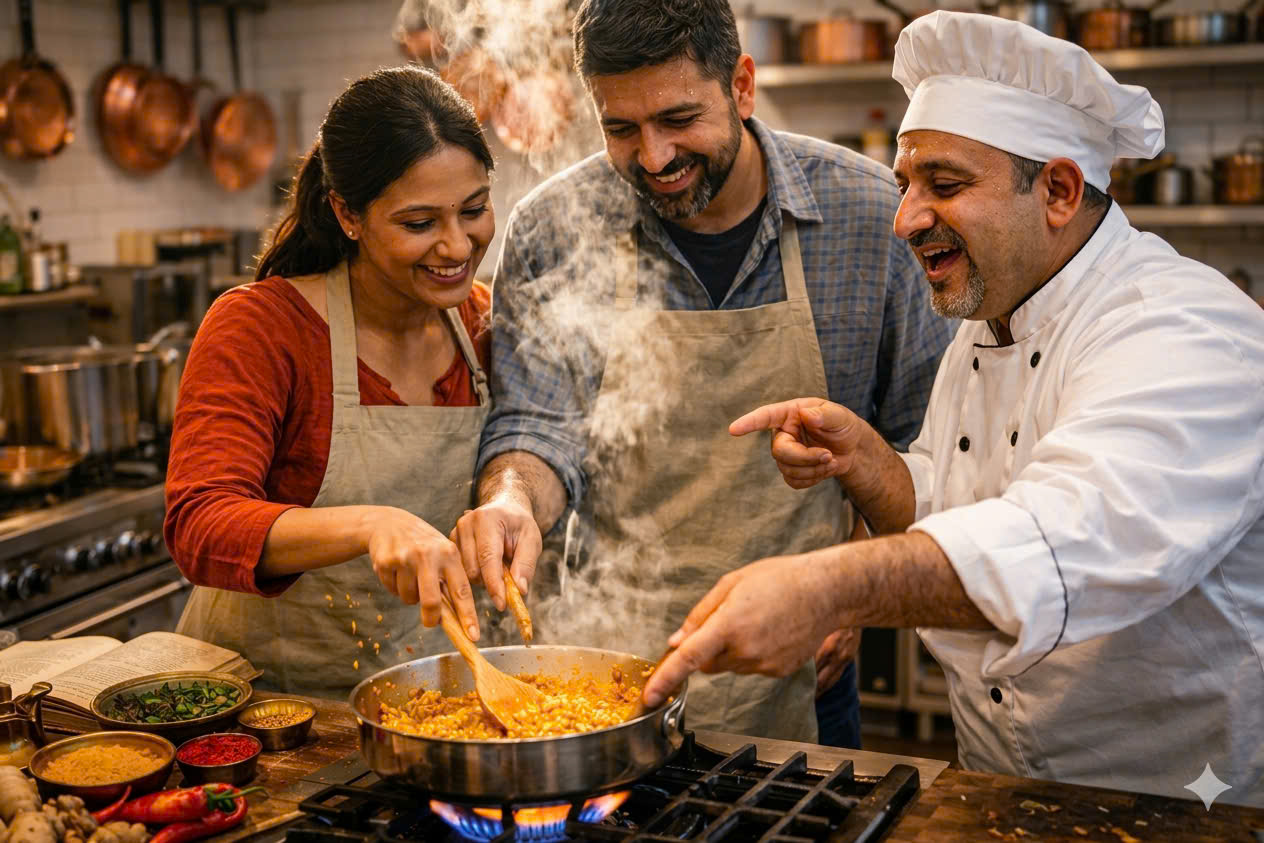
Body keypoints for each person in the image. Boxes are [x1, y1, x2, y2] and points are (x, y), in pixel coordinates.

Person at [642, 12, 1264, 805]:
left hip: (1176, 809)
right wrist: (874, 466)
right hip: (1001, 791)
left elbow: (1060, 539)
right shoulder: (987, 322)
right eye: (905, 184)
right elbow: (958, 500)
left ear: (1060, 192)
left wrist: (828, 587)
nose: (904, 218)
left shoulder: (1182, 329)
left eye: (944, 184)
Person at [453, 0, 952, 745]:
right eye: (621, 128)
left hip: (797, 666)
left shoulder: (870, 217)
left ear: (741, 87)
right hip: (606, 670)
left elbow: (924, 451)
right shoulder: (553, 227)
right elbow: (538, 425)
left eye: (679, 119)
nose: (653, 157)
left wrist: (845, 588)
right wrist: (511, 499)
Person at [165, 66, 502, 698]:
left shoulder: (479, 321)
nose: (457, 244)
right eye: (419, 223)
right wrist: (372, 526)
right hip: (269, 711)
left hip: (421, 698)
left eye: (474, 210)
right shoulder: (263, 327)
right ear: (348, 213)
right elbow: (200, 524)